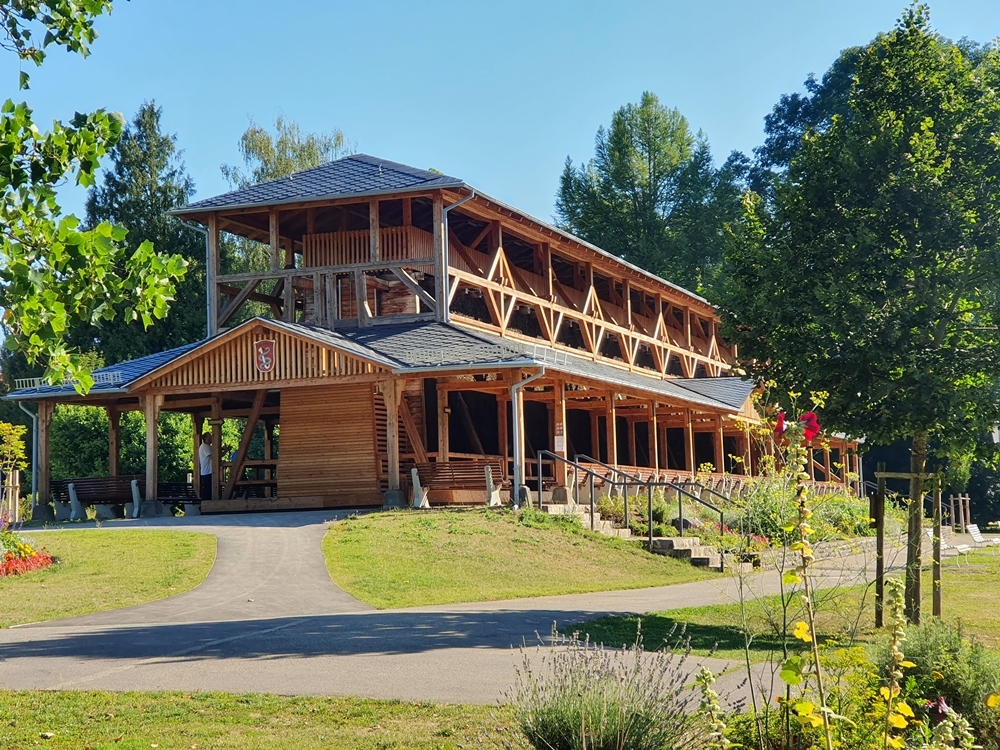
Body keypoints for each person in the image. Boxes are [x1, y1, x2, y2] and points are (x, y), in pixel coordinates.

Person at [198, 432, 214, 501]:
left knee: (209, 491)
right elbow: (213, 457)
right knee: (207, 492)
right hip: (207, 472)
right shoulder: (205, 446)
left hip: (209, 472)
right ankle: (205, 506)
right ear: (205, 438)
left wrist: (224, 451)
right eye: (209, 436)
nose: (211, 437)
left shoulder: (208, 447)